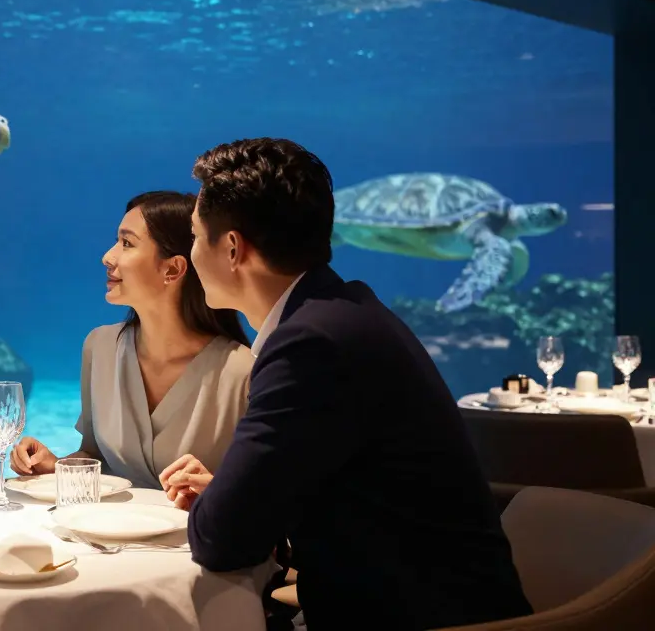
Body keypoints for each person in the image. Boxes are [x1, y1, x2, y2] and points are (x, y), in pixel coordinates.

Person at [160, 138, 532, 630]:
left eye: (193, 236)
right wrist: (238, 495)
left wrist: (226, 504)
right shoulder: (342, 311)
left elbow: (222, 540)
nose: (190, 253)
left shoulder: (309, 344)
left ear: (232, 248)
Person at [10, 190, 254, 489]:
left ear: (173, 268)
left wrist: (216, 491)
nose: (108, 257)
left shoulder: (242, 371)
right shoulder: (99, 348)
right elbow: (96, 455)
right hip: (107, 534)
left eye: (126, 243)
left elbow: (270, 492)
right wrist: (55, 465)